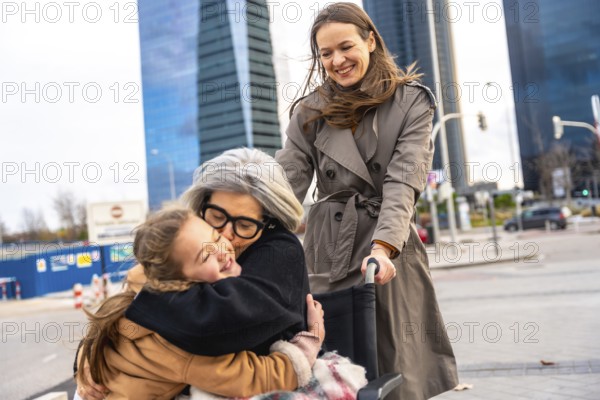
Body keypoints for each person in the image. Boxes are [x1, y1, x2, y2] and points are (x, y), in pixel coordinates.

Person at [275, 3, 458, 399]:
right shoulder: (309, 112)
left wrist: (384, 246)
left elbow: (402, 180)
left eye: (346, 47)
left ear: (370, 41)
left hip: (385, 245)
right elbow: (285, 183)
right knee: (335, 367)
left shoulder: (411, 101)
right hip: (327, 247)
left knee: (395, 363)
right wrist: (245, 234)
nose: (337, 60)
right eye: (326, 54)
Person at [76, 148, 312, 399]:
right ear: (201, 207)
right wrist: (91, 351)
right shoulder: (188, 243)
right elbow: (121, 309)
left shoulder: (279, 252)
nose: (226, 235)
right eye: (216, 217)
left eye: (244, 225)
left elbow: (211, 321)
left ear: (269, 222)